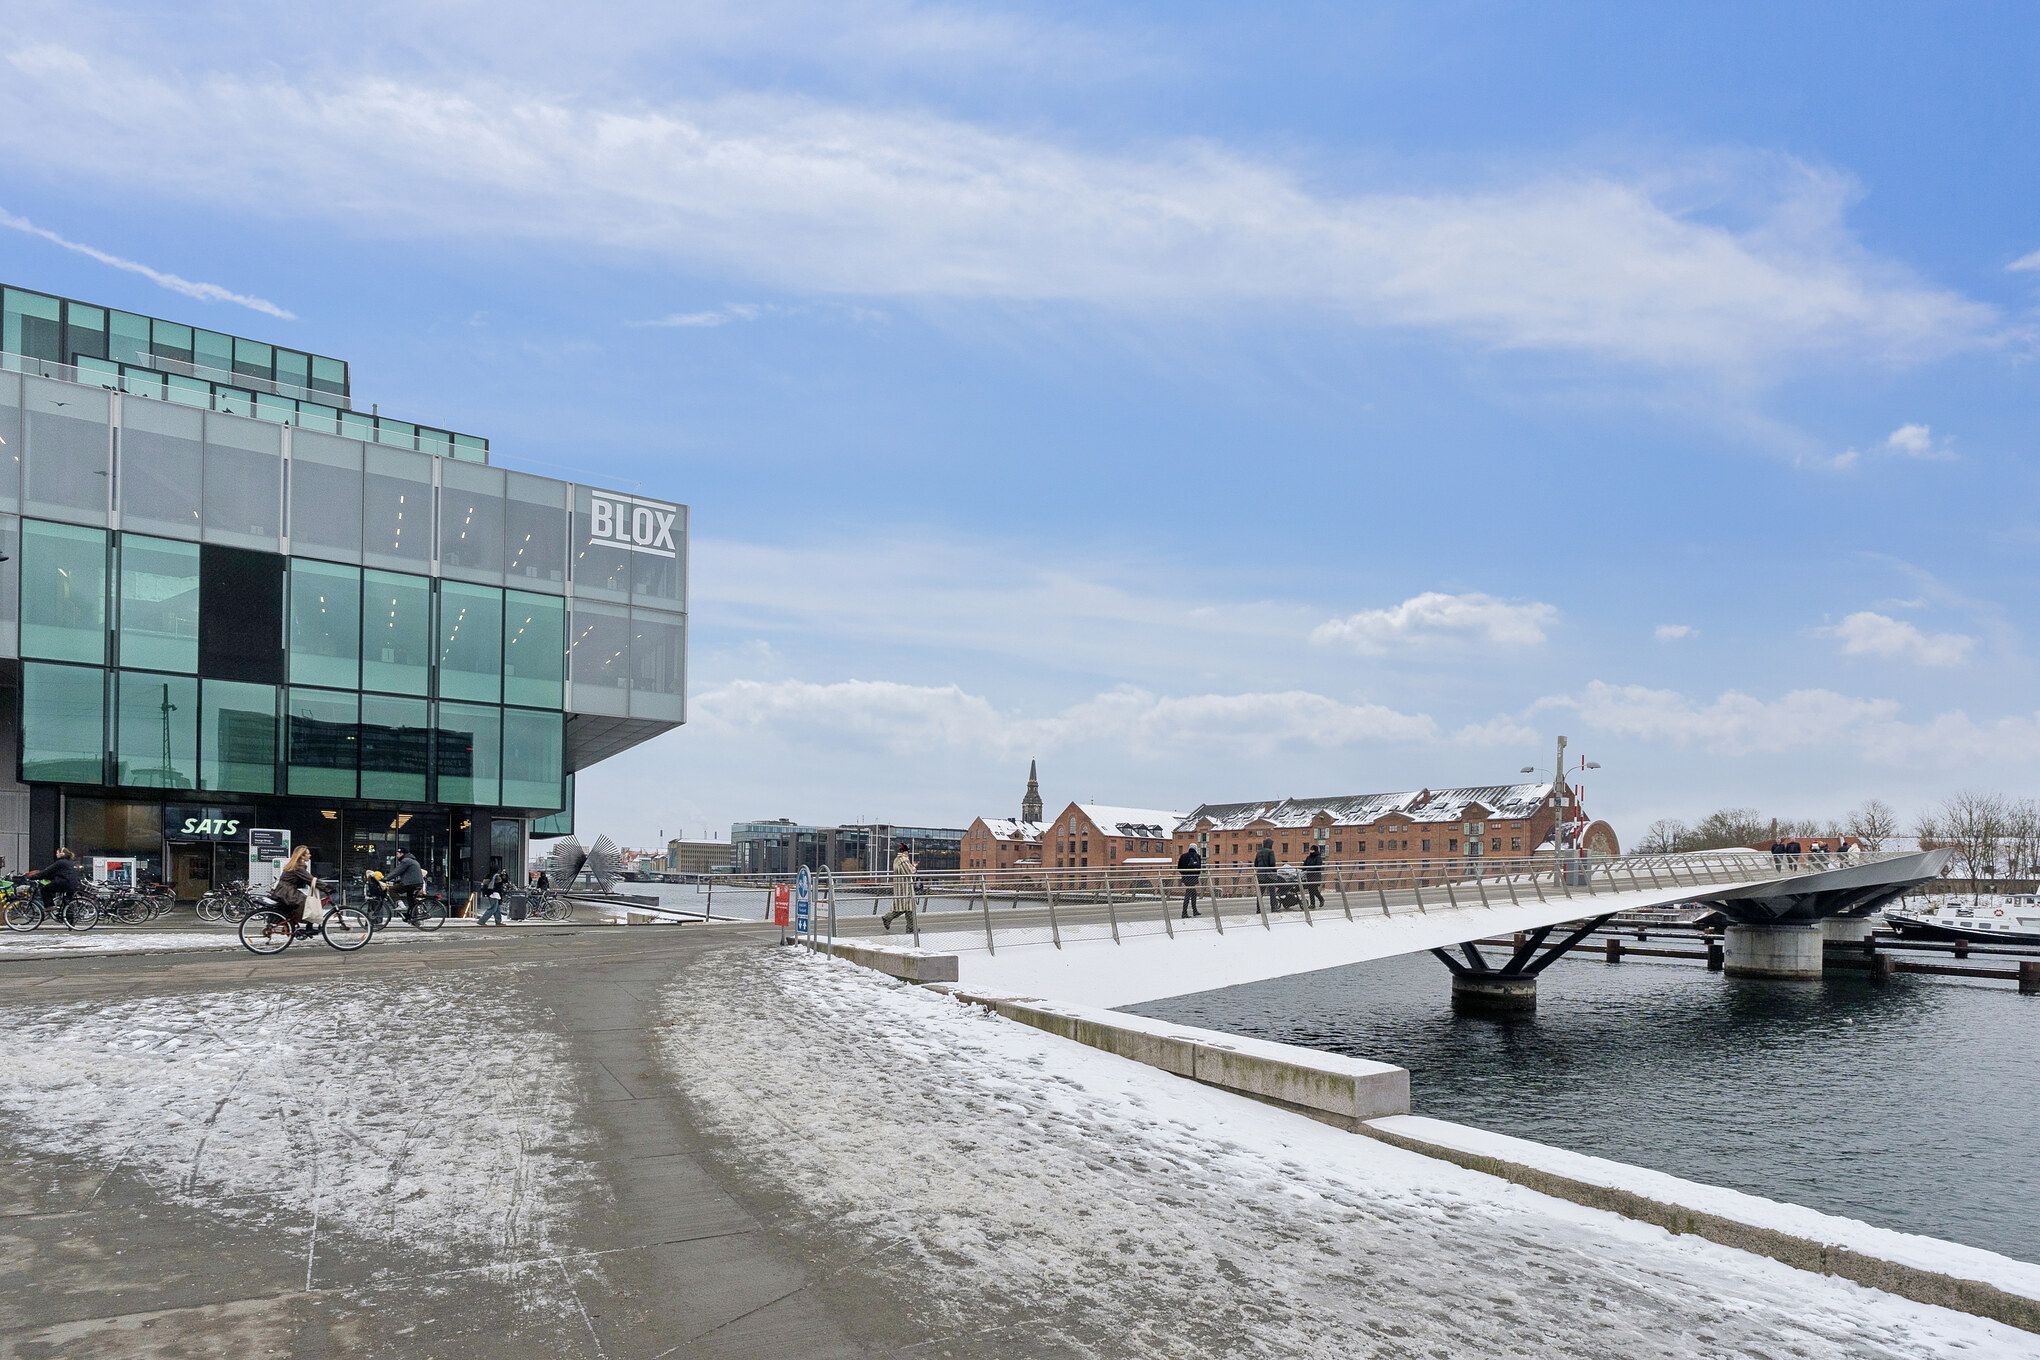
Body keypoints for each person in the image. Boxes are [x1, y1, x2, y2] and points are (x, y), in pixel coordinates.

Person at [264, 846, 317, 941]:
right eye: (308, 853)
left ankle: (296, 926)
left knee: (302, 903)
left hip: (284, 890)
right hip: (287, 892)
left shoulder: (294, 864)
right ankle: (307, 928)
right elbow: (311, 879)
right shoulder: (299, 866)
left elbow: (307, 879)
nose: (310, 855)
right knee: (308, 902)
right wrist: (327, 887)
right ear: (302, 856)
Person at [30, 848, 83, 915]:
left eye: (57, 853)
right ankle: (69, 919)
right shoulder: (69, 862)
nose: (56, 854)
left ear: (62, 854)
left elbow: (47, 871)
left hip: (65, 883)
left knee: (44, 889)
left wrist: (33, 877)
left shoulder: (60, 862)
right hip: (73, 884)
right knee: (67, 902)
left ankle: (49, 906)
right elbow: (57, 874)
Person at [881, 845, 917, 932]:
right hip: (905, 887)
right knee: (905, 907)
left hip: (900, 886)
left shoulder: (897, 860)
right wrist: (914, 866)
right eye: (908, 851)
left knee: (909, 907)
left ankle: (910, 926)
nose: (908, 853)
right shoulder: (903, 860)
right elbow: (909, 872)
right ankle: (888, 917)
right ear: (905, 852)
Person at [387, 848, 426, 922]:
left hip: (411, 884)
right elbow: (409, 875)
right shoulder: (412, 860)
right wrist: (397, 881)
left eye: (397, 854)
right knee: (411, 901)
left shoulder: (406, 860)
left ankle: (401, 905)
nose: (396, 856)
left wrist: (385, 879)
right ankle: (413, 918)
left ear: (402, 854)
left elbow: (396, 872)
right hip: (416, 883)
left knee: (392, 889)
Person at [1176, 843, 1204, 918]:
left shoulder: (1183, 856)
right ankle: (1184, 912)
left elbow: (1179, 868)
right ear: (1195, 848)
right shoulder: (1197, 856)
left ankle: (1194, 911)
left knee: (1193, 893)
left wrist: (1184, 874)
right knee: (1188, 894)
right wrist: (1195, 875)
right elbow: (1199, 869)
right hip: (1193, 877)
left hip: (1186, 877)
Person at [1253, 838, 1278, 914]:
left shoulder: (1259, 852)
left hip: (1260, 875)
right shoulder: (1271, 852)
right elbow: (1272, 863)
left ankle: (1258, 909)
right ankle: (1273, 908)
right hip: (1269, 875)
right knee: (1272, 892)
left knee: (1260, 893)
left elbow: (1255, 864)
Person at [1301, 844, 1326, 912]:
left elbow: (1318, 866)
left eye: (1312, 849)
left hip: (1315, 875)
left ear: (1315, 850)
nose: (1310, 850)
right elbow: (1305, 865)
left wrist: (1308, 870)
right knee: (1311, 890)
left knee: (1314, 889)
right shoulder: (1308, 857)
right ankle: (1313, 904)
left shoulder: (1318, 857)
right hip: (1309, 876)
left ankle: (1321, 899)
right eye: (1310, 849)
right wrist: (1302, 869)